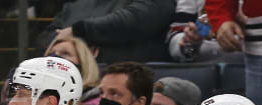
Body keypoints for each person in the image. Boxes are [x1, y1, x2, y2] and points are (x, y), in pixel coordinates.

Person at [39, 0, 177, 63]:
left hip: (128, 82)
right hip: (66, 81)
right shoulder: (75, 6)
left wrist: (79, 31)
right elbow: (45, 38)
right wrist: (72, 46)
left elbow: (135, 21)